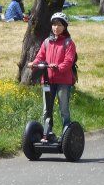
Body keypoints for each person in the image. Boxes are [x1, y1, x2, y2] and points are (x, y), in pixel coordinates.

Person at [27, 12, 77, 141]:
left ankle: (66, 135)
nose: (56, 28)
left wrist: (59, 67)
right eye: (54, 24)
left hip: (63, 81)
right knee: (46, 109)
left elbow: (69, 60)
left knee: (63, 109)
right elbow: (40, 56)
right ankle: (47, 133)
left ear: (65, 27)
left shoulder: (68, 43)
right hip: (47, 81)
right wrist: (34, 64)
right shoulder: (47, 42)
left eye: (59, 25)